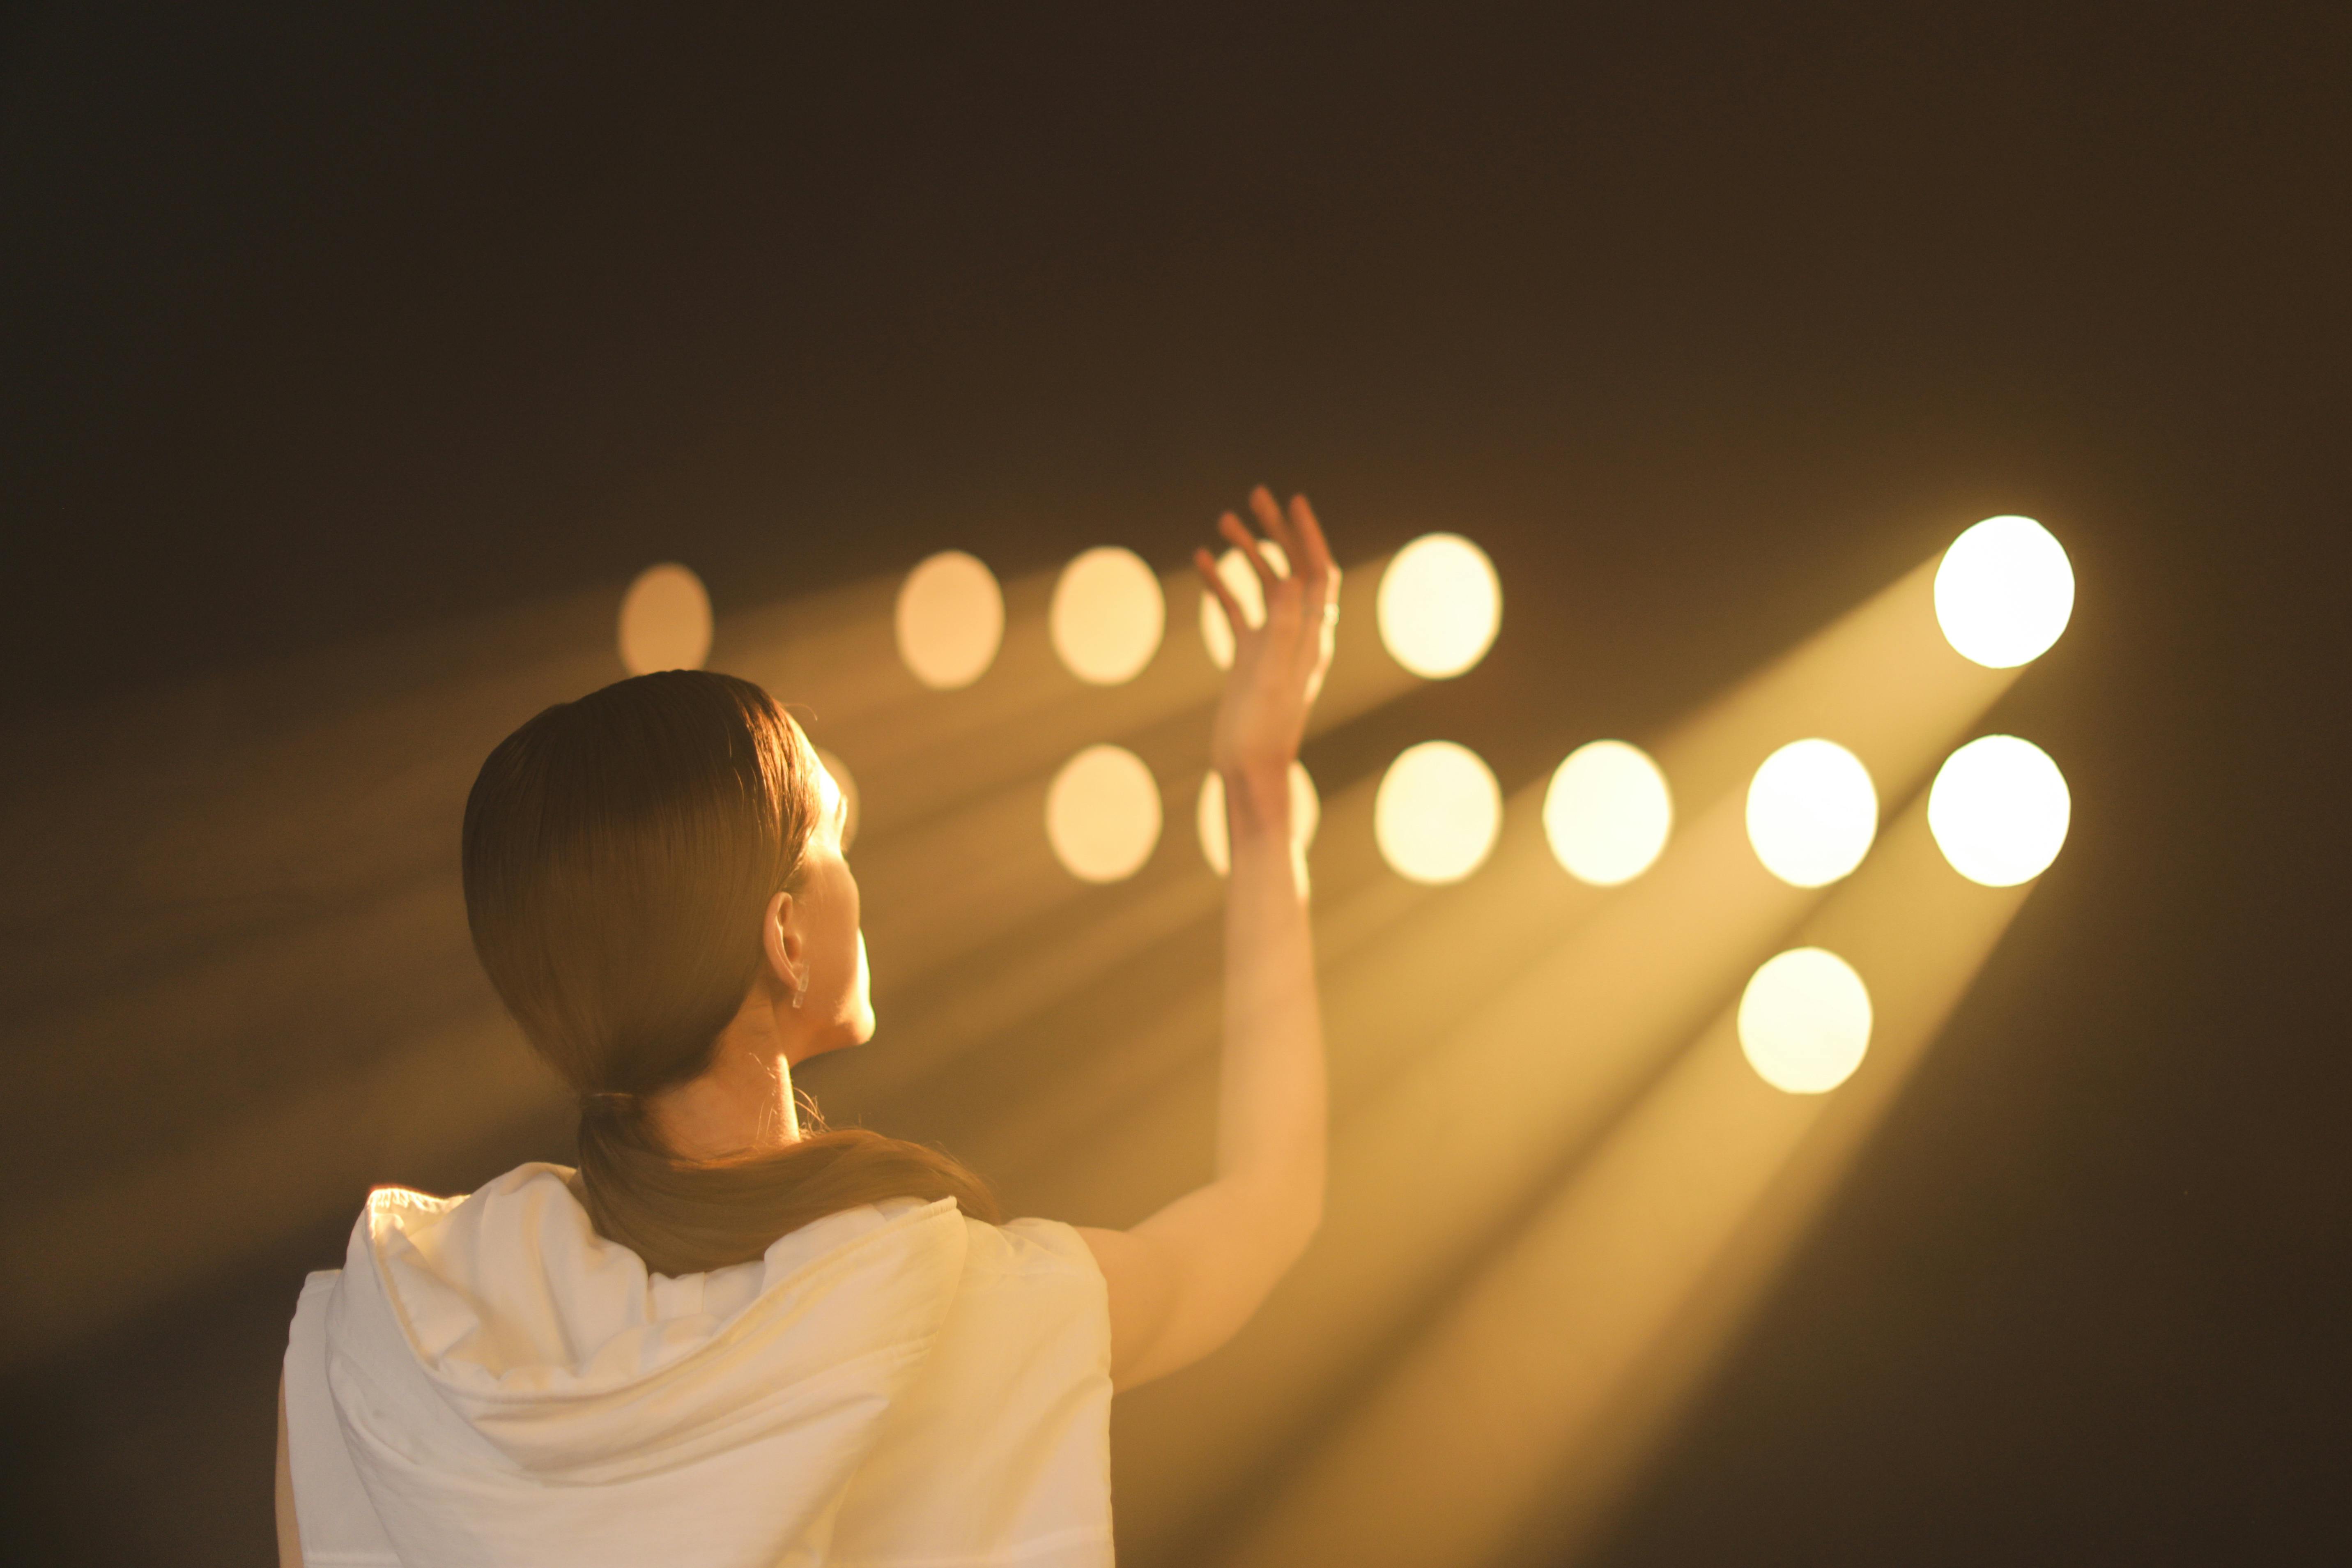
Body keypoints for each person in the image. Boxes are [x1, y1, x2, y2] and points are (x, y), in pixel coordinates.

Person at [276, 488, 1338, 1568]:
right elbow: (1267, 1207)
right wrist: (1258, 795)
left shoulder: (383, 1328)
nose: (856, 872)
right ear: (785, 936)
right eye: (834, 834)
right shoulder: (928, 1304)